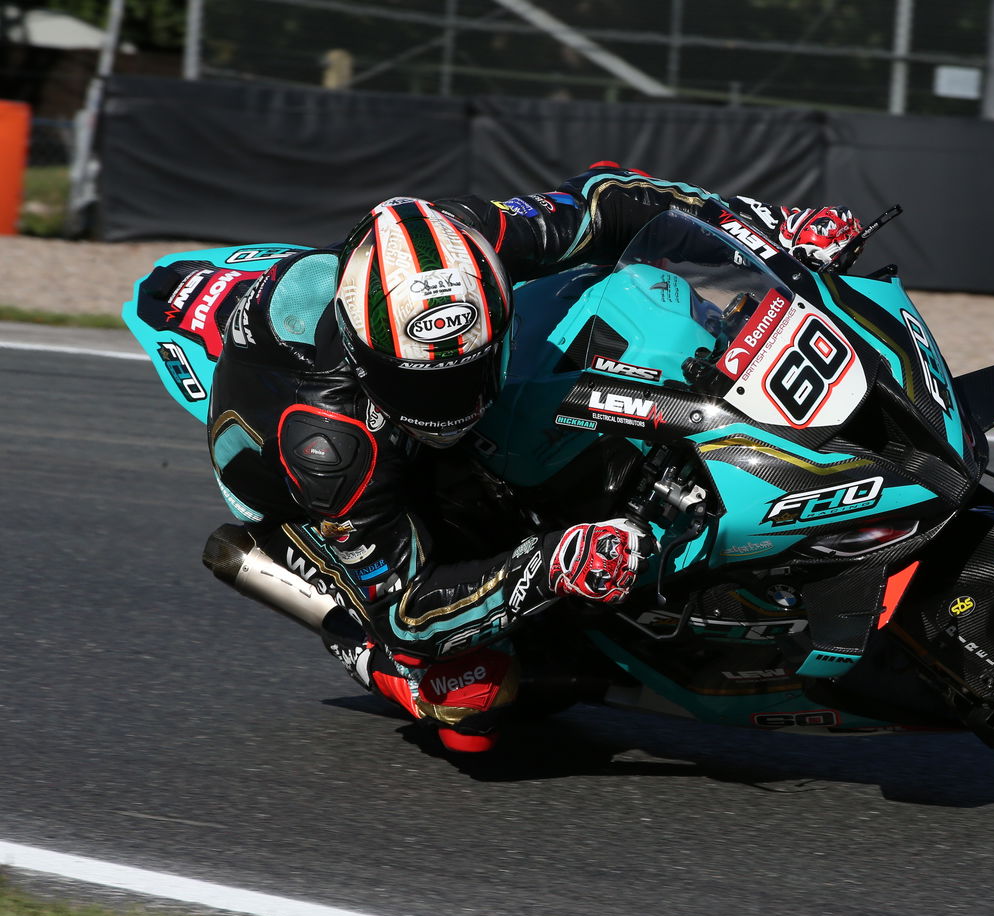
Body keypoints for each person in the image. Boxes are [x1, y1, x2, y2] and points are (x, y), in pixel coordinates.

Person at [148, 163, 862, 753]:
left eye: (465, 371)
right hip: (306, 494)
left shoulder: (472, 241)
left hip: (373, 351)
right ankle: (387, 668)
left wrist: (766, 225)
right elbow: (410, 604)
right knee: (472, 701)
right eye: (423, 383)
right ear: (371, 358)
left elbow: (610, 200)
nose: (450, 400)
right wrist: (550, 565)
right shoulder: (330, 449)